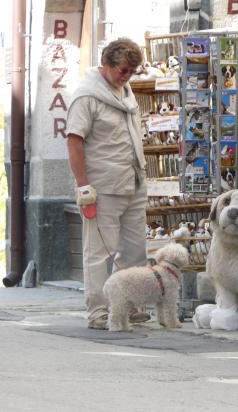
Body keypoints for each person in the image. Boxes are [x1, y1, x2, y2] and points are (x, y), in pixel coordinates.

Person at [66, 38, 150, 330]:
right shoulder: (86, 96)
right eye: (123, 70)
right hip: (103, 186)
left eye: (132, 71)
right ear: (107, 64)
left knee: (134, 250)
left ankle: (129, 305)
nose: (127, 76)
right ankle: (99, 310)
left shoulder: (125, 91)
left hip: (133, 180)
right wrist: (83, 185)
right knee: (99, 251)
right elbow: (74, 140)